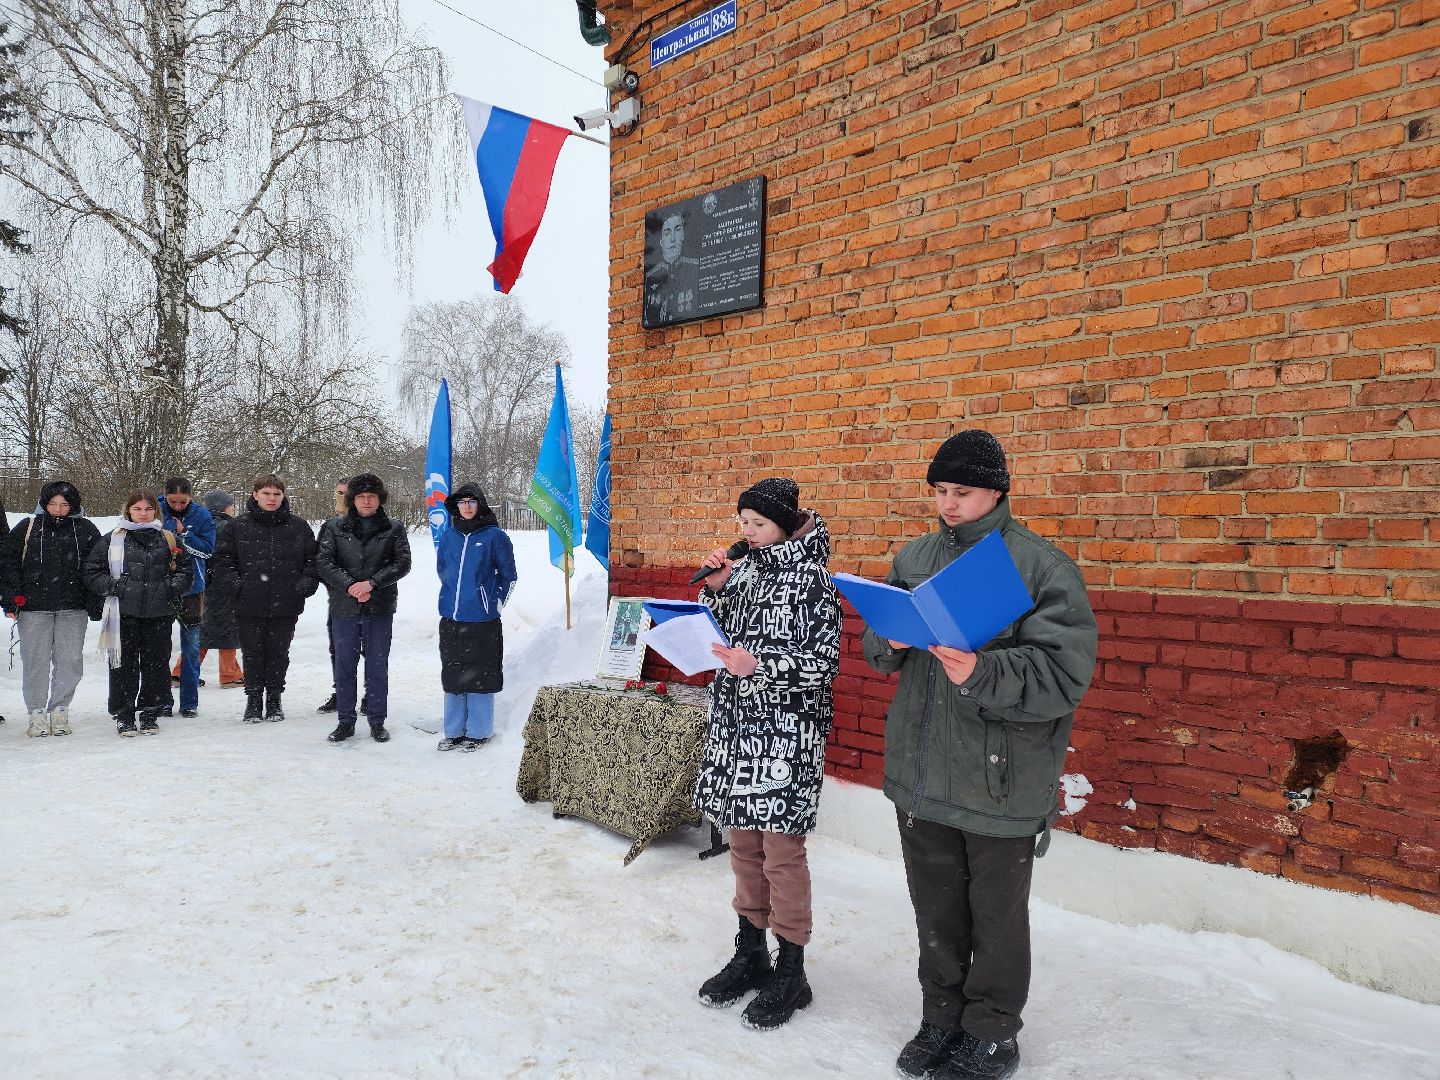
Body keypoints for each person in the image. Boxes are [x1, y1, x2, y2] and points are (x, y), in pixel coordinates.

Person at [861, 431, 1098, 1080]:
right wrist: (888, 639)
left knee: (994, 919)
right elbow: (876, 649)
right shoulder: (914, 558)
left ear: (996, 490)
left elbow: (1063, 675)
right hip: (923, 775)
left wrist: (981, 671)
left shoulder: (1041, 569)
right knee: (935, 909)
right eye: (939, 491)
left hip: (999, 782)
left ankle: (992, 1035)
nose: (947, 504)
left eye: (960, 492)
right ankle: (941, 1020)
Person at [692, 477, 841, 1031]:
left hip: (784, 739)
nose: (747, 534)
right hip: (737, 732)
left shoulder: (813, 582)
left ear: (783, 523)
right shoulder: (748, 568)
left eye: (757, 524)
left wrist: (762, 667)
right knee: (743, 848)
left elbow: (822, 665)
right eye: (743, 524)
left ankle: (792, 969)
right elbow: (729, 636)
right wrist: (718, 590)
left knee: (781, 856)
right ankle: (750, 949)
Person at [209, 474, 319, 723]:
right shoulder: (236, 527)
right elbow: (224, 563)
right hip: (249, 602)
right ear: (255, 494)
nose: (271, 499)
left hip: (286, 602)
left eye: (276, 494)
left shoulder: (298, 526)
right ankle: (254, 698)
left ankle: (274, 698)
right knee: (253, 652)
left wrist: (302, 586)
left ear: (283, 496)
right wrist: (238, 587)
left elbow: (312, 562)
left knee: (279, 652)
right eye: (266, 493)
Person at [83, 489, 193, 736]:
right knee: (123, 665)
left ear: (156, 511)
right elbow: (92, 571)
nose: (143, 514)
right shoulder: (113, 538)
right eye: (137, 509)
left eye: (148, 509)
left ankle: (150, 711)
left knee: (156, 666)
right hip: (123, 613)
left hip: (159, 614)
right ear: (128, 511)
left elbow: (185, 571)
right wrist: (116, 586)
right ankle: (124, 714)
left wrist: (170, 587)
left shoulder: (168, 539)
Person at [0, 481, 103, 736]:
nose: (58, 509)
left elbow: (97, 567)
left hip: (73, 607)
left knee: (70, 661)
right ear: (44, 504)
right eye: (53, 504)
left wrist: (96, 600)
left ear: (74, 506)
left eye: (64, 504)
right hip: (34, 608)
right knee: (35, 662)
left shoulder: (86, 530)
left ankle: (59, 710)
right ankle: (35, 713)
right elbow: (8, 564)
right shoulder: (28, 527)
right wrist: (11, 598)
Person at [316, 472, 411, 744]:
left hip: (379, 607)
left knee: (377, 666)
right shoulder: (335, 527)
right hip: (344, 607)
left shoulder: (393, 528)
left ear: (380, 499)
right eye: (361, 497)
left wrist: (371, 583)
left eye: (371, 496)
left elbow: (402, 563)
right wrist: (350, 586)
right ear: (352, 500)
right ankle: (345, 721)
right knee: (345, 665)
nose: (366, 502)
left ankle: (377, 721)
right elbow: (324, 562)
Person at [434, 484, 516, 751]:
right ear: (455, 506)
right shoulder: (449, 536)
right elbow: (443, 570)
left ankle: (479, 731)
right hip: (452, 618)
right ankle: (454, 731)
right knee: (454, 673)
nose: (466, 506)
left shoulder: (495, 537)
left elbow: (509, 576)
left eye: (472, 501)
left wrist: (494, 603)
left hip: (483, 619)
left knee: (481, 674)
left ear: (480, 504)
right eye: (462, 502)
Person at [169, 489, 245, 689]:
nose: (234, 508)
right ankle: (230, 675)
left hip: (202, 584)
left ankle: (181, 672)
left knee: (201, 631)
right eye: (231, 505)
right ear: (222, 507)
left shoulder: (199, 524)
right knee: (227, 630)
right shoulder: (229, 527)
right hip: (224, 586)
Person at [161, 477, 216, 718]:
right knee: (158, 648)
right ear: (165, 496)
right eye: (173, 501)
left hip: (192, 589)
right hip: (160, 588)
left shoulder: (202, 516)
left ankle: (189, 703)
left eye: (183, 502)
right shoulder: (153, 509)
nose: (178, 506)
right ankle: (161, 698)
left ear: (191, 497)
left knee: (191, 647)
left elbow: (207, 550)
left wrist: (183, 535)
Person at [317, 477, 350, 714]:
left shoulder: (380, 524)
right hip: (339, 599)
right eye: (338, 492)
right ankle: (342, 691)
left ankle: (372, 694)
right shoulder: (330, 525)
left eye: (346, 493)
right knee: (338, 649)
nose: (341, 498)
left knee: (371, 651)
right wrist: (341, 584)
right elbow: (321, 561)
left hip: (371, 599)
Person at [644, 209, 700, 325]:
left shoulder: (695, 268)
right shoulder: (650, 277)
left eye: (678, 230)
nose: (672, 238)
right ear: (661, 241)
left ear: (683, 235)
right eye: (667, 233)